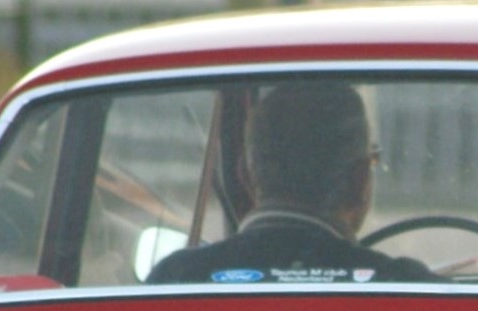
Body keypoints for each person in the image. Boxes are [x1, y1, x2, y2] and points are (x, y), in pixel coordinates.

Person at [147, 80, 436, 286]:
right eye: (373, 162)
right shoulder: (406, 287)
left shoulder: (176, 278)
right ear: (359, 179)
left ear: (245, 175)